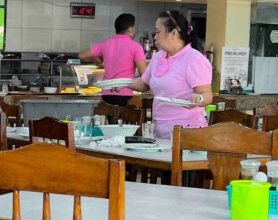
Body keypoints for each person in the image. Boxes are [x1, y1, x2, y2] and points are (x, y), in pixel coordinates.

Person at [125, 10, 212, 139]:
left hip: (187, 131)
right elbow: (144, 83)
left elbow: (207, 95)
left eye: (158, 32)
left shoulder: (194, 59)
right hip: (160, 128)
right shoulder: (158, 56)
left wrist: (198, 99)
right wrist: (120, 82)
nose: (154, 36)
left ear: (173, 33)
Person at [80, 13, 148, 106]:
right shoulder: (136, 47)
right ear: (130, 29)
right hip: (125, 95)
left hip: (107, 95)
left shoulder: (105, 44)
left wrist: (98, 60)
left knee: (110, 119)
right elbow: (144, 75)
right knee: (125, 120)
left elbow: (82, 55)